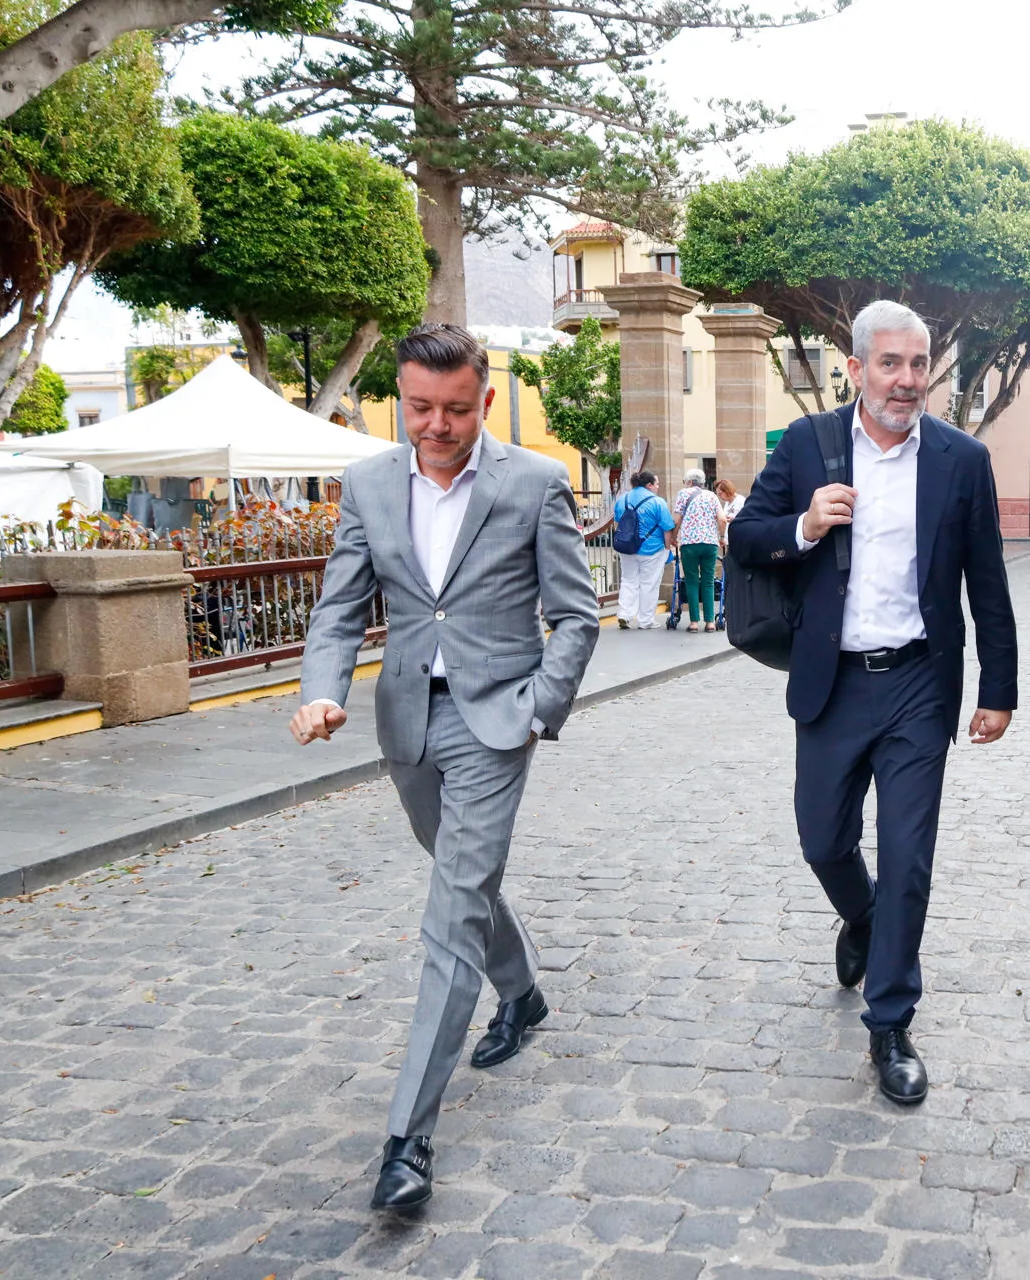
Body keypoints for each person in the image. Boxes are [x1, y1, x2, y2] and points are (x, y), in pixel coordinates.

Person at [291, 324, 599, 1211]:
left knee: (450, 911)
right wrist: (321, 689)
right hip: (404, 721)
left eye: (456, 409)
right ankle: (523, 992)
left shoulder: (534, 483)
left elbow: (575, 615)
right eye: (420, 408)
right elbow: (340, 604)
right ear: (400, 398)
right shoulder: (367, 484)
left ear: (485, 401)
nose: (436, 426)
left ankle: (407, 1138)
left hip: (495, 722)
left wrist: (540, 708)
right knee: (462, 878)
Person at [729, 300, 1017, 1107]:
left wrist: (1000, 688)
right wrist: (806, 525)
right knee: (822, 839)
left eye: (918, 364)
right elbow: (747, 537)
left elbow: (986, 581)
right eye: (889, 364)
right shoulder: (808, 444)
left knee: (910, 858)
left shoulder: (961, 459)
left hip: (921, 684)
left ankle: (891, 1022)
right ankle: (860, 917)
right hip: (834, 681)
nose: (907, 380)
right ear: (854, 370)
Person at [613, 470, 673, 630]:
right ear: (649, 485)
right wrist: (667, 548)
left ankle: (624, 614)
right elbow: (667, 529)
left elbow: (618, 521)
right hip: (651, 548)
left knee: (628, 580)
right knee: (649, 584)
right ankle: (645, 620)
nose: (658, 487)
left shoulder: (622, 499)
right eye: (657, 483)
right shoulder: (657, 502)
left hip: (627, 547)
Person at [671, 468, 721, 632]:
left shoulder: (683, 494)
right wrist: (720, 536)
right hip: (710, 543)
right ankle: (710, 623)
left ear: (690, 482)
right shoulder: (712, 496)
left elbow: (677, 519)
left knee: (691, 581)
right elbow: (721, 518)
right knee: (708, 582)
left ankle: (693, 622)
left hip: (689, 543)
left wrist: (673, 536)